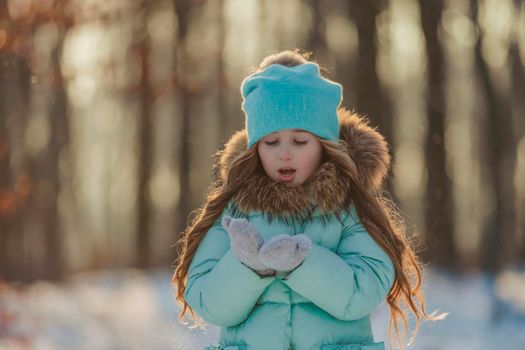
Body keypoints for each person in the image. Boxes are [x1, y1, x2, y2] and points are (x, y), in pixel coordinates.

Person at [172, 50, 442, 350]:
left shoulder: (346, 208)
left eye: (300, 141)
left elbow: (361, 293)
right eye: (271, 141)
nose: (284, 153)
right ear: (255, 147)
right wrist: (247, 266)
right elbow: (210, 305)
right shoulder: (236, 210)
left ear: (324, 144)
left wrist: (302, 263)